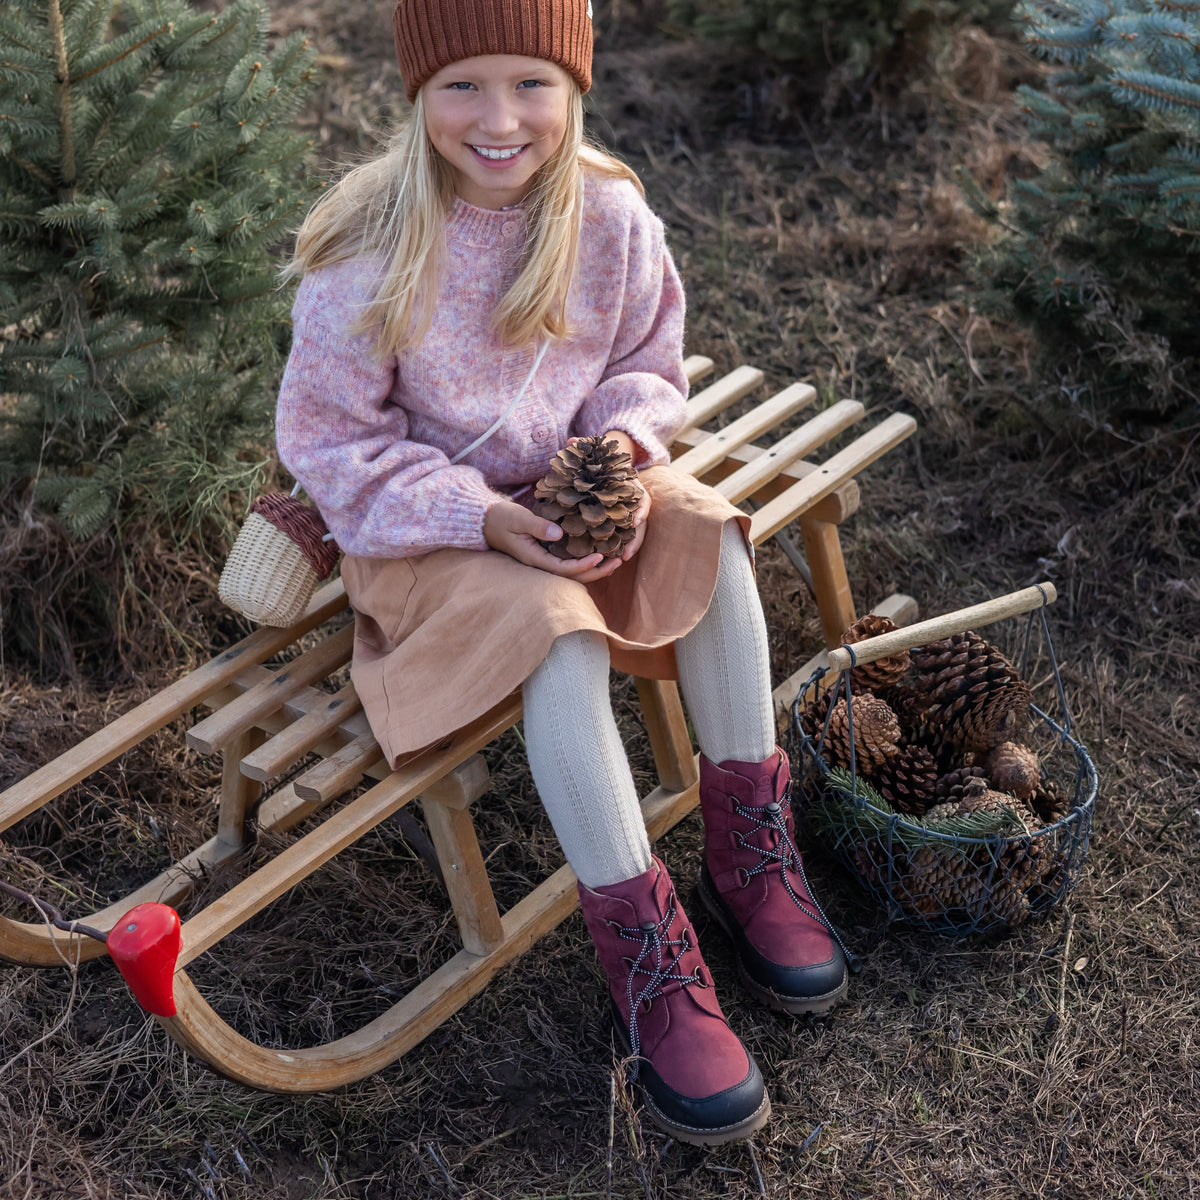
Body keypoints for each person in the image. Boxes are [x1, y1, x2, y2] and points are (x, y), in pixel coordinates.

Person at [275, 0, 848, 1146]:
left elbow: (645, 360)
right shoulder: (366, 252)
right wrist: (482, 517)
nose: (499, 120)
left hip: (574, 488)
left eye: (530, 84)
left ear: (573, 87)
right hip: (429, 534)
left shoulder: (607, 212)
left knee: (710, 527)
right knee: (557, 627)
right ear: (417, 92)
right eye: (463, 86)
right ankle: (646, 954)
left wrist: (620, 459)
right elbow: (333, 449)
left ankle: (750, 853)